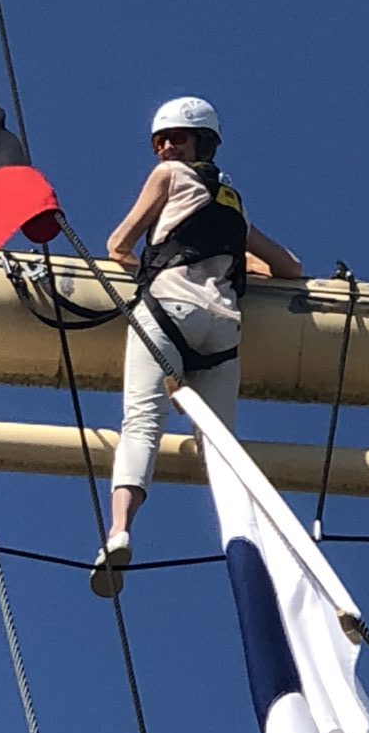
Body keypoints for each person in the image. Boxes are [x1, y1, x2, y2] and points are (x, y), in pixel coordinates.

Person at [91, 96, 302, 597]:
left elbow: (118, 244)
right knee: (224, 453)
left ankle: (119, 532)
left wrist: (146, 264)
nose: (165, 147)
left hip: (168, 309)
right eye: (162, 140)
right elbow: (289, 267)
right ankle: (255, 547)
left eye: (174, 138)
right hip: (223, 330)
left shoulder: (168, 178)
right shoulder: (234, 206)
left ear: (196, 142)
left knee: (141, 421)